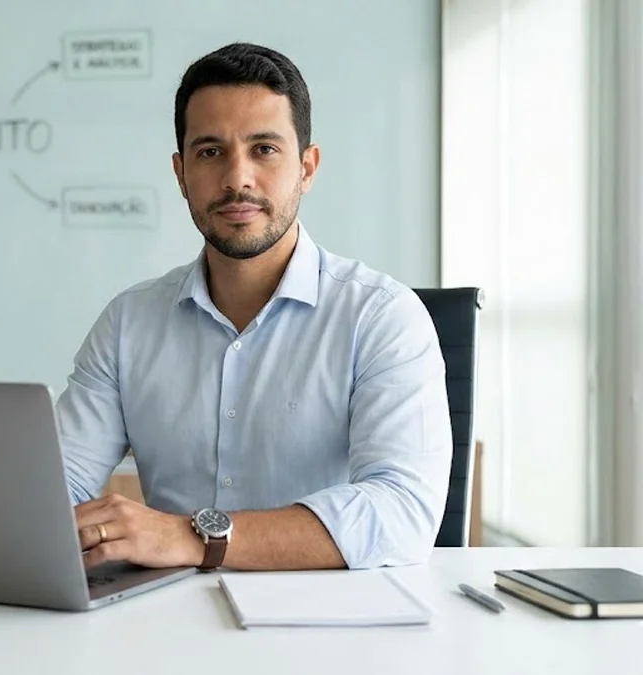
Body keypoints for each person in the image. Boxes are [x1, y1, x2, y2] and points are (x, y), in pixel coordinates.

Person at [54, 42, 452, 573]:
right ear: (180, 174)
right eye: (210, 151)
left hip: (332, 633)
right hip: (164, 627)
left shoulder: (382, 317)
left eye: (264, 149)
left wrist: (192, 538)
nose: (237, 178)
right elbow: (58, 484)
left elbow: (402, 513)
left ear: (307, 168)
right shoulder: (128, 323)